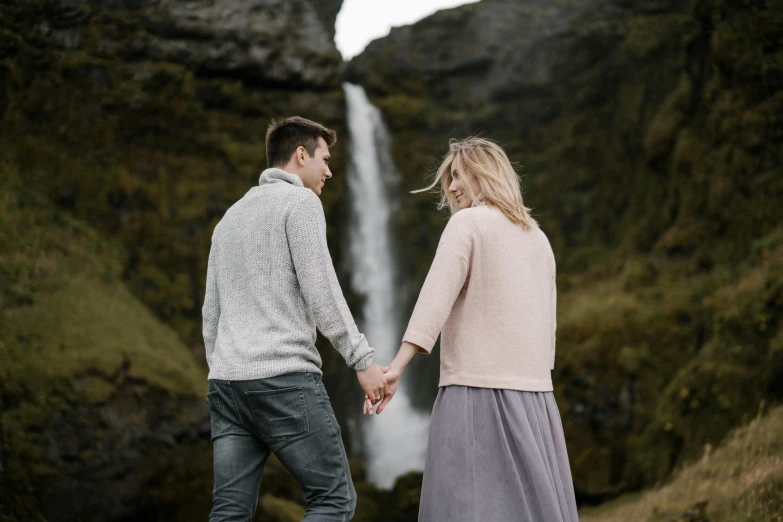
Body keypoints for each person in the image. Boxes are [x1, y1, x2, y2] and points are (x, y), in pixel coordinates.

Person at [368, 137, 579, 521]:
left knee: (467, 507)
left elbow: (434, 300)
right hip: (536, 401)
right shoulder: (539, 237)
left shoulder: (466, 223)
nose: (451, 187)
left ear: (485, 174)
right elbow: (547, 327)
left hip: (474, 395)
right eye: (449, 178)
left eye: (459, 175)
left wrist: (396, 367)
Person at [202, 116, 388, 521]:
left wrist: (223, 367)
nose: (329, 170)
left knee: (229, 511)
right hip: (284, 381)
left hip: (227, 385)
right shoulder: (300, 202)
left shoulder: (229, 219)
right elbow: (321, 291)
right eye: (324, 158)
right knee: (333, 499)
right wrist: (363, 361)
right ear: (300, 155)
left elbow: (210, 314)